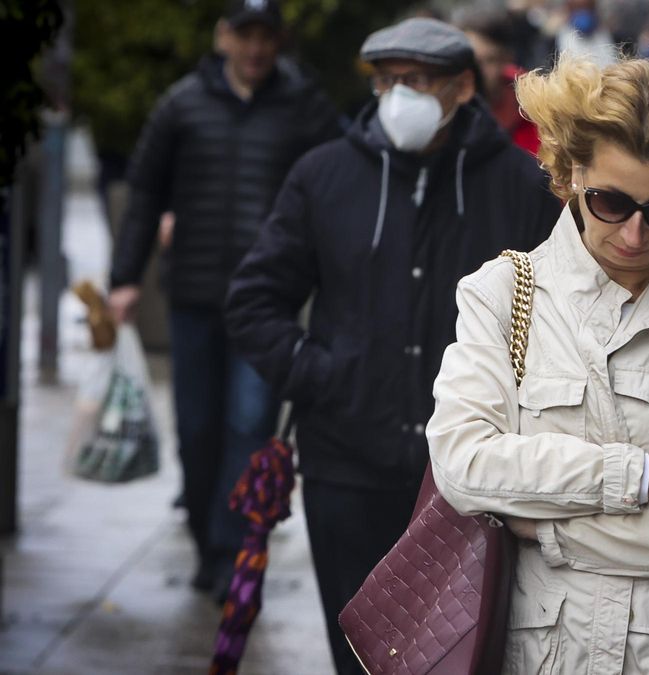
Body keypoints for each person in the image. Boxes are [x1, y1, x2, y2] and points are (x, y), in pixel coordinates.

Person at [425, 53, 649, 673]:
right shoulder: (499, 293)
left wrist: (546, 528)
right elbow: (463, 466)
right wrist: (642, 477)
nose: (634, 235)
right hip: (534, 652)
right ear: (570, 175)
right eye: (610, 202)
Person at [223, 17, 560, 674]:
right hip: (347, 468)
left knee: (463, 655)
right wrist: (322, 374)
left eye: (417, 81)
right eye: (387, 82)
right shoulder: (325, 175)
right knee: (359, 656)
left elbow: (561, 312)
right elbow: (253, 300)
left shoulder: (521, 185)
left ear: (463, 87)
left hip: (469, 480)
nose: (398, 96)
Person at [106, 0, 339, 601]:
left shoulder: (304, 107)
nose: (255, 48)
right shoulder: (182, 104)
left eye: (266, 36)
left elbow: (339, 181)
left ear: (277, 41)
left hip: (266, 306)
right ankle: (204, 535)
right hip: (194, 296)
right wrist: (124, 278)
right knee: (197, 425)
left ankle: (229, 551)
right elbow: (144, 190)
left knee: (247, 423)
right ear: (222, 37)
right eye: (244, 34)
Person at [456, 7, 541, 154]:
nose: (478, 71)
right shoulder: (451, 118)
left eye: (489, 60)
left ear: (507, 59)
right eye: (472, 61)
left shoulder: (536, 104)